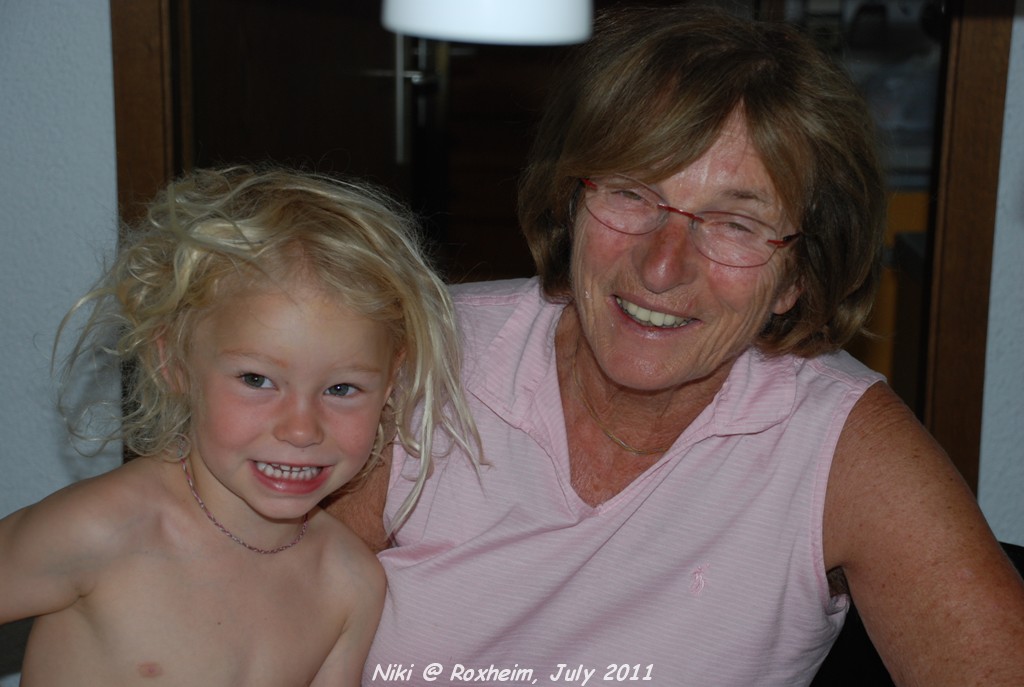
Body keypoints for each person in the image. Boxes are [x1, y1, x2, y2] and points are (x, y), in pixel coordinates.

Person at [331, 5, 1024, 686]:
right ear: (571, 203)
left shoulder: (840, 445)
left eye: (734, 225)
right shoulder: (424, 358)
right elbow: (273, 619)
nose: (662, 267)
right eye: (632, 194)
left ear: (797, 278)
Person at [0, 166, 478, 686]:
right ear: (173, 364)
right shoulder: (101, 530)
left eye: (341, 389)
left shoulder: (351, 584)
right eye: (257, 380)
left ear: (389, 386)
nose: (301, 430)